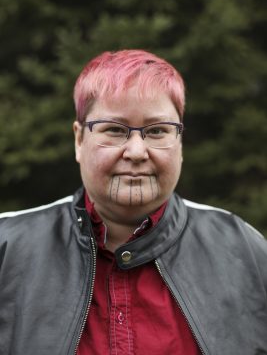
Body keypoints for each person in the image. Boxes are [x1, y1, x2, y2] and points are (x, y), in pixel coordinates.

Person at [0, 50, 266, 355]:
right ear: (78, 140)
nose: (137, 151)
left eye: (157, 131)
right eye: (114, 129)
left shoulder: (244, 251)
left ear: (179, 144)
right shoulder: (7, 249)